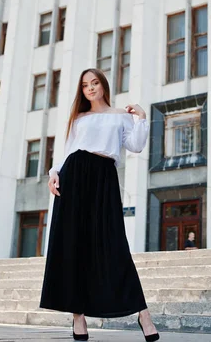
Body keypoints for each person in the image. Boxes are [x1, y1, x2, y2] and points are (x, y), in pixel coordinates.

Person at [39, 68, 160, 342]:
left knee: (114, 243)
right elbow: (69, 148)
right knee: (72, 245)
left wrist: (141, 117)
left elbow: (136, 146)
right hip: (73, 175)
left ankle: (143, 314)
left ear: (103, 85)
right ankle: (78, 317)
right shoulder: (79, 117)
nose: (90, 88)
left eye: (94, 83)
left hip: (104, 177)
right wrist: (54, 173)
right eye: (85, 85)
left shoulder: (122, 115)